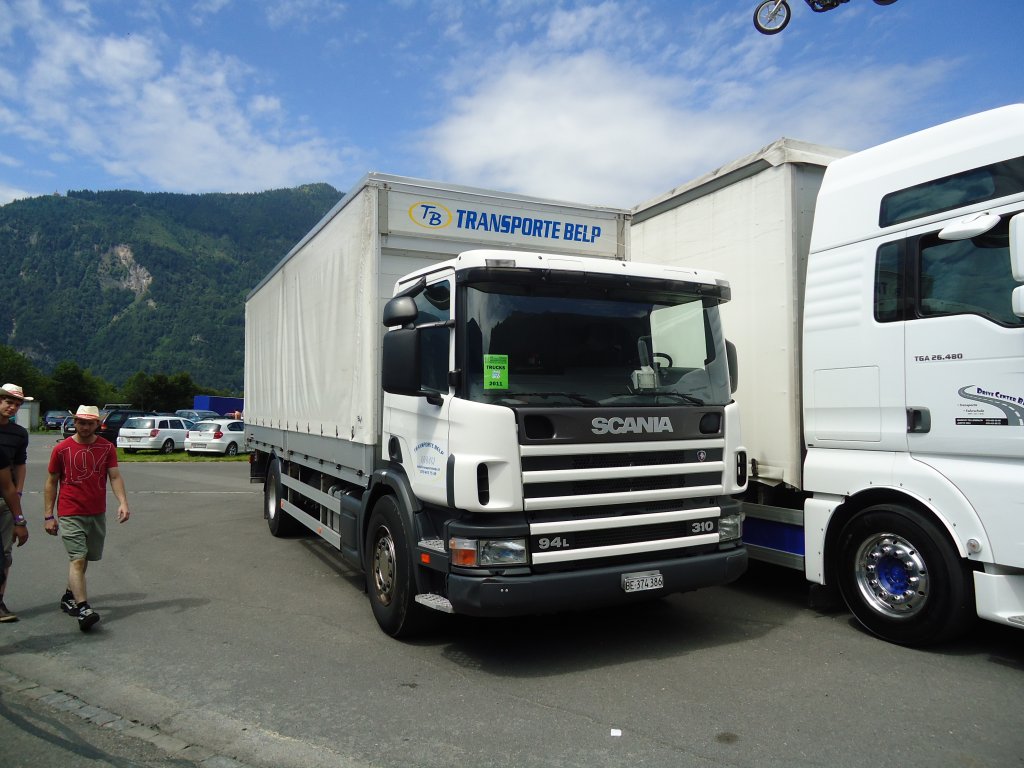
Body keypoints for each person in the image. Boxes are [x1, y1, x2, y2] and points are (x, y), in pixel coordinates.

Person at [43, 404, 131, 632]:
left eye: (89, 423)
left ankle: (69, 596)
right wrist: (48, 515)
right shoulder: (61, 449)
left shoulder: (106, 448)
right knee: (78, 559)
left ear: (97, 424)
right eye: (80, 422)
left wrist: (122, 502)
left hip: (96, 512)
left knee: (85, 558)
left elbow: (114, 476)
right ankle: (83, 608)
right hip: (70, 511)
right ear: (74, 423)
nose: (84, 426)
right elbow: (51, 482)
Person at [0, 382, 32, 622]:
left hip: (6, 499)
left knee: (5, 552)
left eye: (17, 404)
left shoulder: (19, 433)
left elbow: (20, 464)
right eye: (9, 402)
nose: (12, 407)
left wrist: (18, 494)